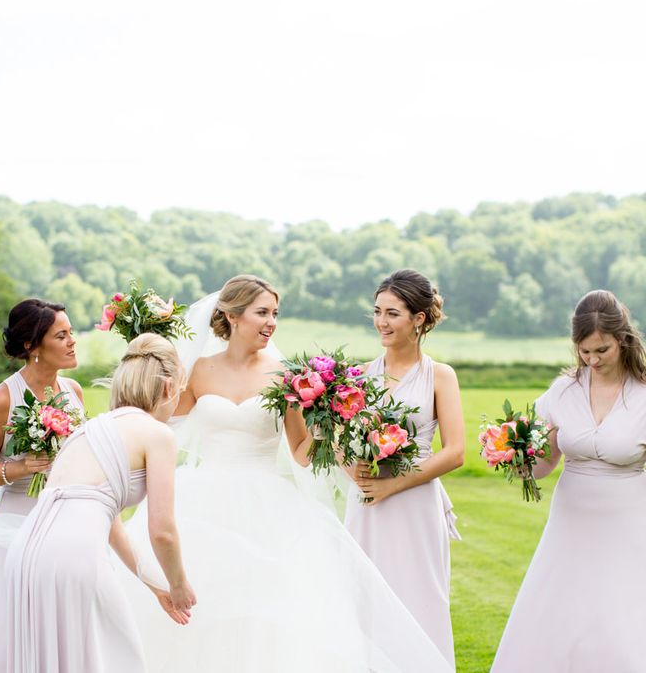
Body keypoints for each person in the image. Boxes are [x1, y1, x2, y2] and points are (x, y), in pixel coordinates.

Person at [121, 274, 453, 672]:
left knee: (271, 614)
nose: (271, 322)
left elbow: (300, 452)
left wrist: (325, 420)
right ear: (231, 315)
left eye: (275, 313)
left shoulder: (286, 375)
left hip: (267, 503)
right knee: (202, 605)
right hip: (203, 500)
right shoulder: (198, 372)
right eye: (263, 312)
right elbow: (157, 420)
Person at [3, 333, 196, 672]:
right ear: (167, 388)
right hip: (75, 556)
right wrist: (179, 584)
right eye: (179, 393)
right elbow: (162, 530)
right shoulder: (157, 434)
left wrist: (157, 586)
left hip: (27, 551)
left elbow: (112, 526)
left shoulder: (88, 430)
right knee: (115, 655)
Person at [491, 290, 646, 672]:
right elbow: (544, 463)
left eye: (601, 350)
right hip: (570, 522)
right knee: (561, 610)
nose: (592, 360)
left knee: (621, 617)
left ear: (622, 340)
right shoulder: (563, 391)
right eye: (584, 351)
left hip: (628, 521)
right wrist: (514, 458)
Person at [0, 299, 85, 672]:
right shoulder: (2, 399)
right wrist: (18, 468)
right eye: (61, 335)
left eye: (71, 332)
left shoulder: (74, 391)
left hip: (67, 516)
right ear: (32, 345)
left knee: (64, 608)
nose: (72, 341)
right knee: (15, 612)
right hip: (18, 518)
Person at [347, 269, 465, 667]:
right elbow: (339, 442)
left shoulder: (440, 376)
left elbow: (455, 452)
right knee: (367, 595)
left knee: (421, 595)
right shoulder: (358, 377)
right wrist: (357, 475)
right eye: (377, 311)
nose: (381, 321)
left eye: (393, 313)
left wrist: (393, 486)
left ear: (419, 319)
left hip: (415, 501)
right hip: (366, 504)